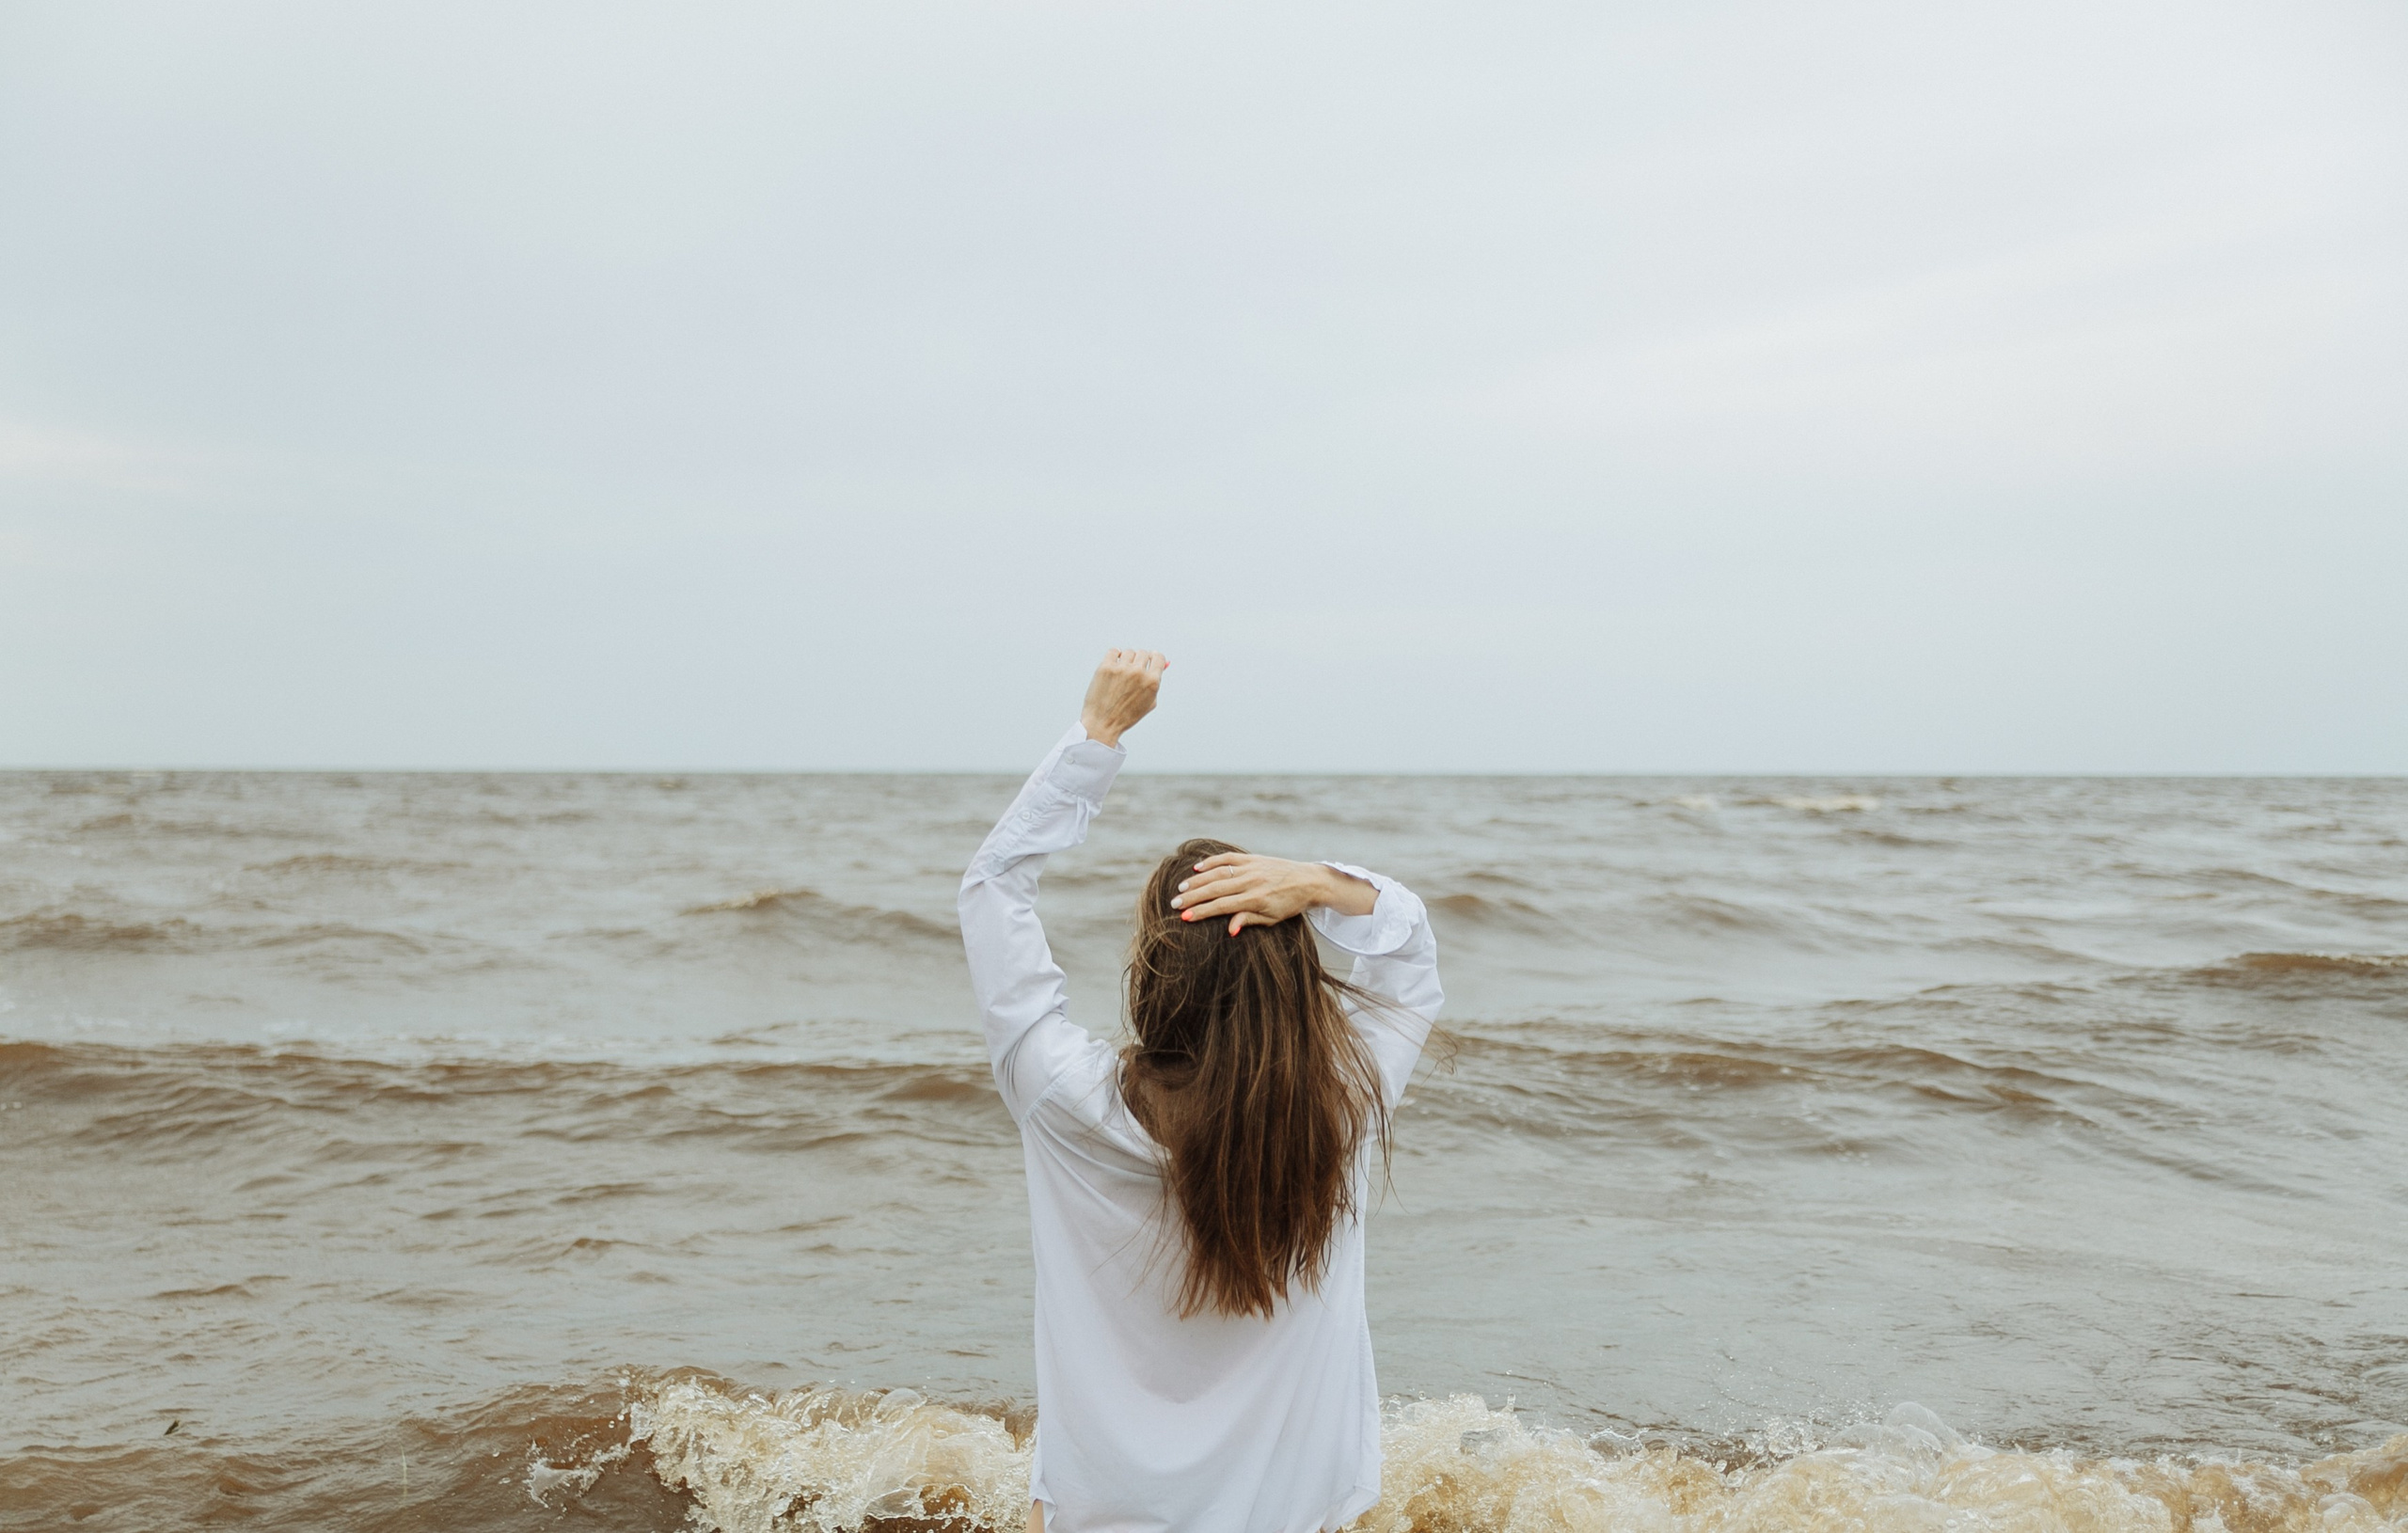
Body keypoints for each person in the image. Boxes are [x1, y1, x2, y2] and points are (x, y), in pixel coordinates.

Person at [958, 648, 1445, 1533]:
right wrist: (1318, 884)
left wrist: (1097, 734)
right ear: (1295, 973)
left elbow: (994, 888)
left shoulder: (1065, 1097)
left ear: (1152, 967)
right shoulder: (1340, 1104)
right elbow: (1412, 956)